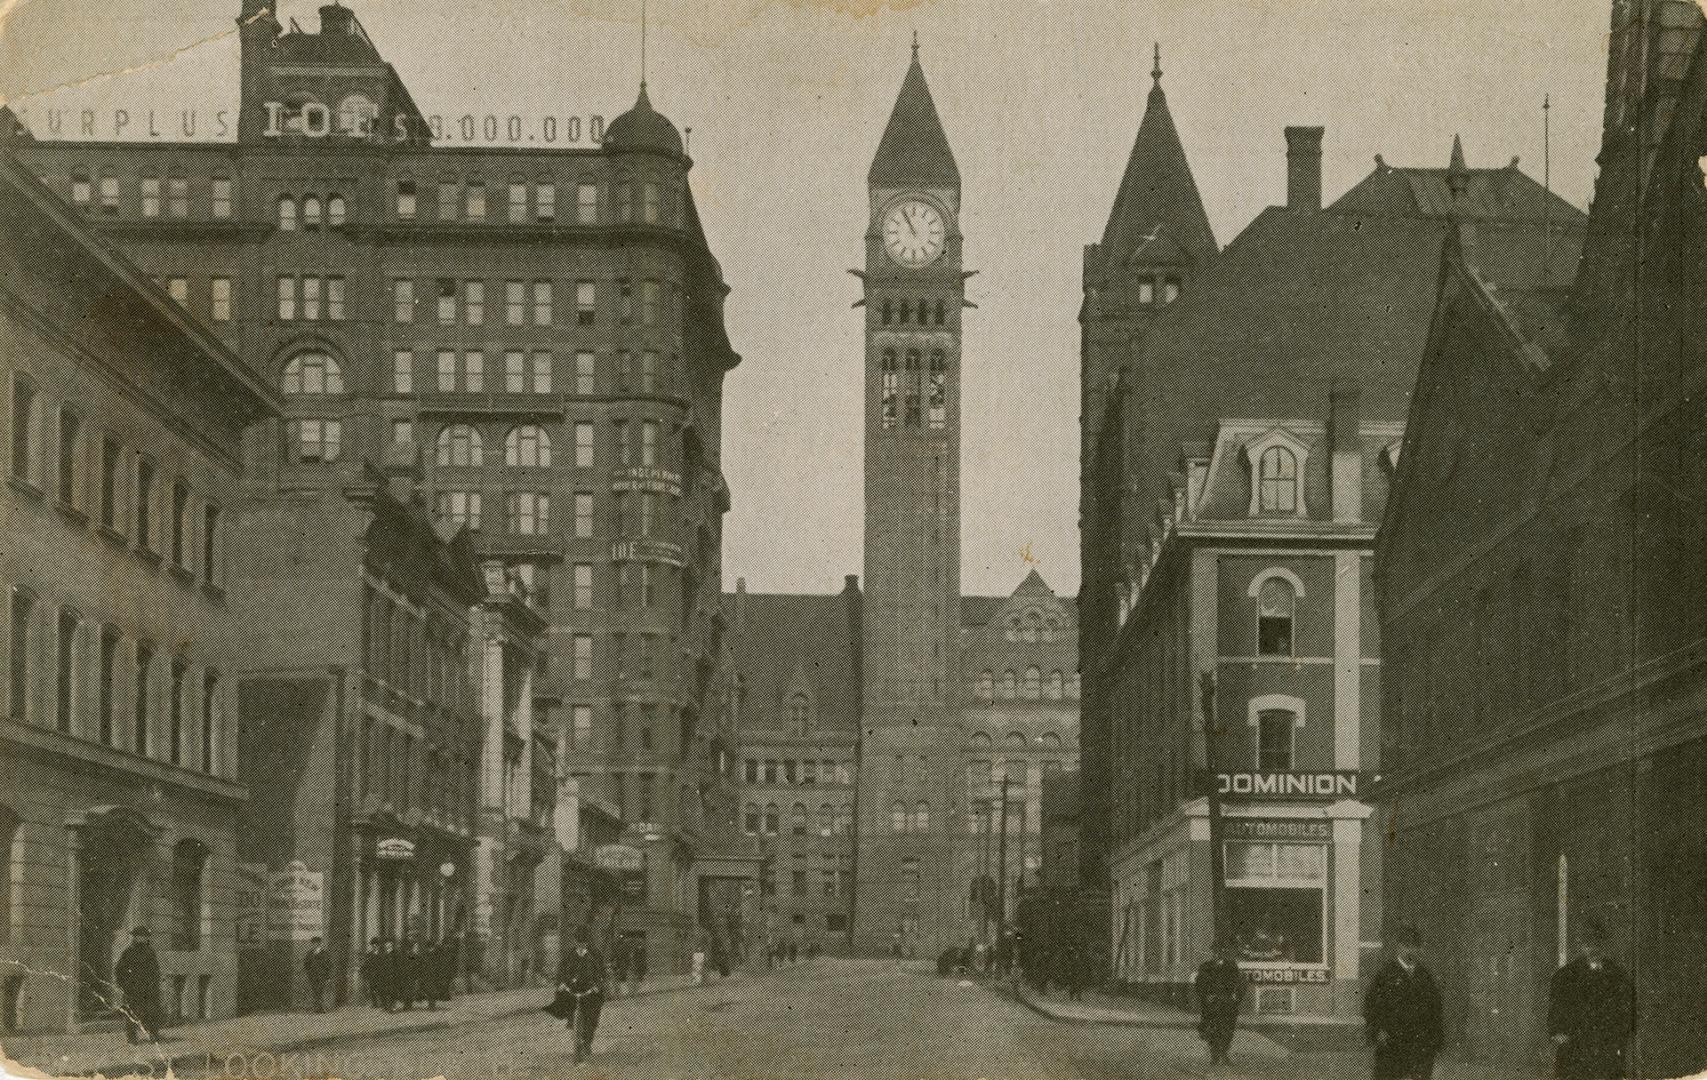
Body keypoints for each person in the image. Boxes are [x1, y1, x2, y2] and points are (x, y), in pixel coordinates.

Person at [1549, 919, 1636, 1079]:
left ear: (1604, 946)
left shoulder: (1618, 976)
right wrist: (1558, 1032)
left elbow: (1627, 1013)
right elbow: (1556, 1011)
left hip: (1606, 1051)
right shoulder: (1566, 976)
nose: (1593, 949)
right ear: (1581, 946)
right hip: (1575, 1051)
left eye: (1598, 943)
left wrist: (1619, 1037)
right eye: (1588, 944)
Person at [1364, 924, 1444, 1080]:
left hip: (1419, 1044)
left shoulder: (1424, 975)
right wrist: (1377, 1030)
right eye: (1407, 946)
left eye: (1414, 947)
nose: (1410, 951)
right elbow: (1371, 1005)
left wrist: (1436, 1039)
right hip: (1392, 1041)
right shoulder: (1386, 974)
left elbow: (1435, 1008)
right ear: (1399, 947)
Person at [553, 927, 606, 1064]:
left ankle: (587, 1041)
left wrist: (597, 986)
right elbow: (561, 971)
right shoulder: (569, 954)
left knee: (592, 1016)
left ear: (588, 942)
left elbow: (602, 974)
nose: (581, 946)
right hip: (573, 988)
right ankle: (571, 1020)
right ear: (575, 941)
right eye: (578, 943)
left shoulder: (595, 955)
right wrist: (561, 983)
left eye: (584, 943)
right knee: (564, 1001)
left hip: (590, 990)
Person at [1195, 938, 1245, 1066]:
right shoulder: (1206, 966)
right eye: (1216, 951)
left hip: (1228, 1003)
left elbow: (1239, 983)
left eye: (1222, 951)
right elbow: (1199, 984)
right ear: (1212, 952)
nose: (1218, 953)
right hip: (1211, 1004)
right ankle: (1214, 1055)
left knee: (1228, 1030)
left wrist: (1236, 998)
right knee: (1212, 1030)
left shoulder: (1231, 966)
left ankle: (1224, 1053)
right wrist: (1206, 996)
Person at [114, 926, 163, 1045]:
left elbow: (155, 970)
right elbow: (119, 970)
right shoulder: (128, 952)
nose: (142, 939)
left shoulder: (150, 952)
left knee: (152, 1012)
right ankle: (132, 1038)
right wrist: (125, 985)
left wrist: (155, 984)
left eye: (144, 937)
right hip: (133, 989)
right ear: (135, 938)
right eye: (139, 936)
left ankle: (153, 1035)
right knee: (132, 1013)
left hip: (149, 988)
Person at [303, 936, 331, 1013]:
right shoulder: (309, 953)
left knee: (320, 991)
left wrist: (328, 977)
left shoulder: (325, 953)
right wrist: (309, 972)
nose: (315, 945)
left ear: (320, 944)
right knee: (315, 991)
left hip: (322, 976)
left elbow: (329, 965)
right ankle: (317, 1008)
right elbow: (306, 964)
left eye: (316, 943)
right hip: (312, 976)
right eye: (313, 943)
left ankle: (319, 1008)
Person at [361, 937, 385, 1008]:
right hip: (371, 975)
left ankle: (382, 1003)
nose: (374, 946)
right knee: (372, 989)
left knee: (380, 989)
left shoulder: (382, 954)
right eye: (373, 945)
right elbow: (366, 964)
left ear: (378, 945)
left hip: (380, 975)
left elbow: (384, 964)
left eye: (376, 944)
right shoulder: (369, 954)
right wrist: (363, 971)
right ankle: (374, 1004)